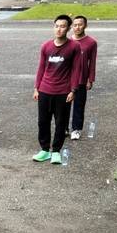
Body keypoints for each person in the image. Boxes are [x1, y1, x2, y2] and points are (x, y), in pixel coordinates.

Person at [32, 15, 81, 164]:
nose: (59, 29)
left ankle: (56, 151)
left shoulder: (74, 47)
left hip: (63, 92)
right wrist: (36, 88)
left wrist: (73, 90)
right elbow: (41, 68)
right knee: (43, 122)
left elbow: (76, 70)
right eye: (57, 26)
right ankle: (44, 150)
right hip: (45, 90)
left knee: (61, 123)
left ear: (68, 28)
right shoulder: (46, 46)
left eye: (63, 26)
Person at [70, 15, 97, 140]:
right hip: (67, 78)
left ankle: (76, 129)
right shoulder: (68, 41)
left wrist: (90, 79)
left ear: (85, 25)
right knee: (63, 105)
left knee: (79, 105)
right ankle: (64, 128)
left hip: (81, 78)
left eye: (80, 24)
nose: (77, 27)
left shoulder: (91, 42)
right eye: (75, 25)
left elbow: (92, 62)